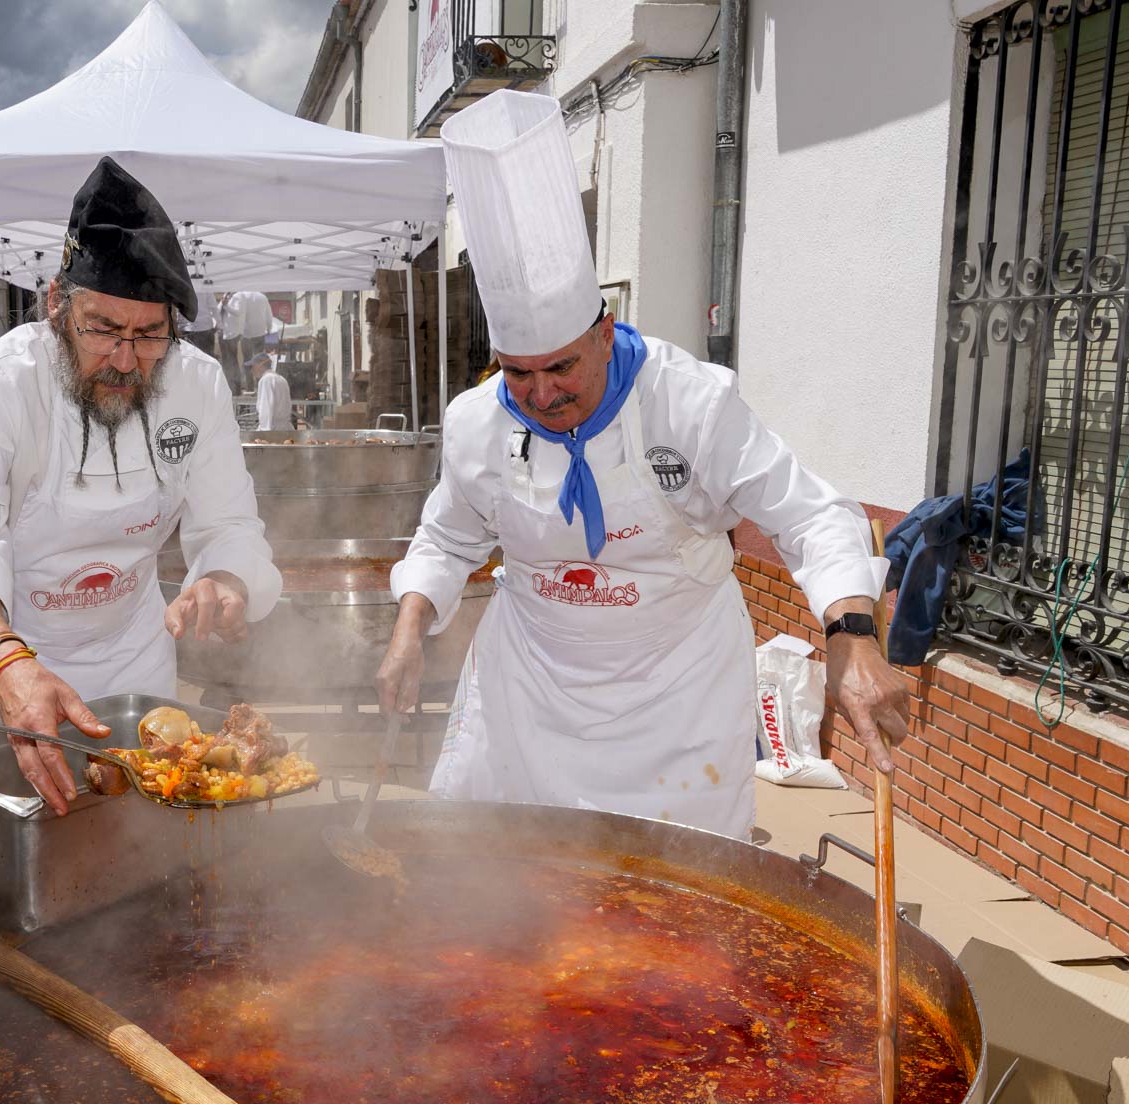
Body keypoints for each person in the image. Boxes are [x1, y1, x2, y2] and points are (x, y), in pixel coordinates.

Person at [377, 92, 909, 840]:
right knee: (496, 874)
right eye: (516, 373)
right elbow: (445, 540)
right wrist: (409, 628)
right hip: (526, 688)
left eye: (559, 367)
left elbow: (810, 514)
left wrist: (851, 636)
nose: (539, 394)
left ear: (604, 331)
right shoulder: (478, 420)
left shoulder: (687, 403)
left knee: (670, 896)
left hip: (675, 694)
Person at [0, 156, 281, 814]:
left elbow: (228, 525)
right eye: (102, 329)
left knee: (135, 838)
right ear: (57, 303)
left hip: (127, 654)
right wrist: (6, 662)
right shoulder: (2, 384)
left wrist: (226, 579)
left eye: (149, 334)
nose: (125, 358)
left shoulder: (194, 384)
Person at [249, 350, 291, 430]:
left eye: (252, 366)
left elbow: (266, 408)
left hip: (272, 430)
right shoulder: (281, 379)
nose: (251, 371)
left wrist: (264, 433)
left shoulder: (266, 380)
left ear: (260, 365)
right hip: (285, 429)